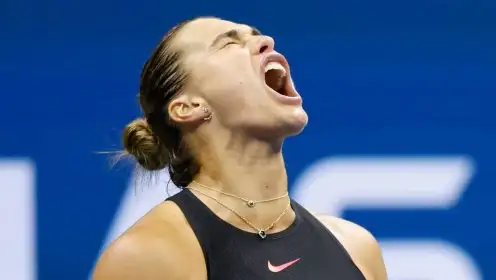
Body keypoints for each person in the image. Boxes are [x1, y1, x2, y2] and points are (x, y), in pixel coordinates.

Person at [92, 17, 388, 280]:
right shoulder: (149, 256)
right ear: (189, 107)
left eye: (255, 34)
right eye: (230, 43)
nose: (266, 41)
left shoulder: (357, 248)